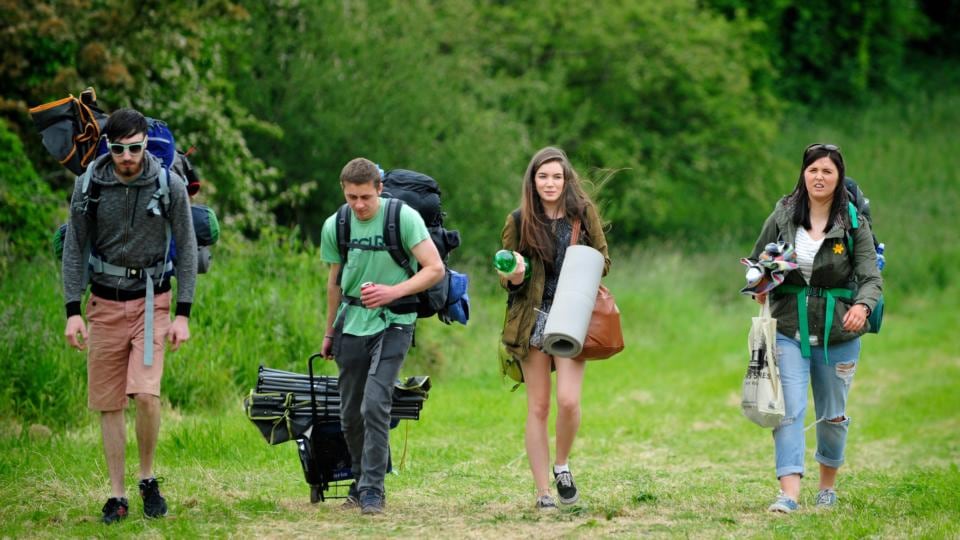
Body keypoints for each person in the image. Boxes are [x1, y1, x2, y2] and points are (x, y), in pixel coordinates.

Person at [62, 108, 197, 523]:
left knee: (145, 394)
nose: (127, 157)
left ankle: (147, 478)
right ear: (109, 147)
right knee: (108, 403)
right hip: (102, 304)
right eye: (119, 149)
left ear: (143, 145)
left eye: (134, 148)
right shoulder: (89, 186)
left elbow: (187, 247)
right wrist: (73, 310)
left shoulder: (167, 184)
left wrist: (183, 313)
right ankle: (117, 495)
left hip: (151, 301)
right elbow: (73, 248)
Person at [748, 143, 882, 513]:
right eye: (813, 170)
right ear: (803, 174)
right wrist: (761, 281)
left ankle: (827, 487)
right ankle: (788, 494)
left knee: (832, 414)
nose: (819, 177)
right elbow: (760, 256)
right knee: (788, 408)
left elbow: (871, 278)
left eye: (827, 171)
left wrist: (861, 305)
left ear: (838, 179)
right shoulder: (784, 213)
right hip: (789, 327)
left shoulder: (854, 222)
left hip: (838, 331)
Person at [320, 157, 444, 514]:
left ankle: (374, 489)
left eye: (365, 197)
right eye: (351, 197)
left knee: (374, 404)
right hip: (351, 321)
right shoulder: (337, 225)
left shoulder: (402, 218)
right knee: (350, 414)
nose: (358, 205)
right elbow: (334, 281)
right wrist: (329, 331)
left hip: (395, 321)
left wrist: (394, 292)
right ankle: (359, 483)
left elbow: (434, 268)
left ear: (380, 189)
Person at [497, 146, 610, 510]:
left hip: (572, 315)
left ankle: (562, 465)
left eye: (556, 177)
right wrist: (513, 274)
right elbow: (507, 279)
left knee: (569, 401)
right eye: (543, 176)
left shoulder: (582, 213)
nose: (550, 183)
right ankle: (543, 491)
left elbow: (603, 260)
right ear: (533, 181)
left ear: (566, 180)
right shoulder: (518, 220)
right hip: (532, 317)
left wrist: (582, 266)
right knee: (539, 406)